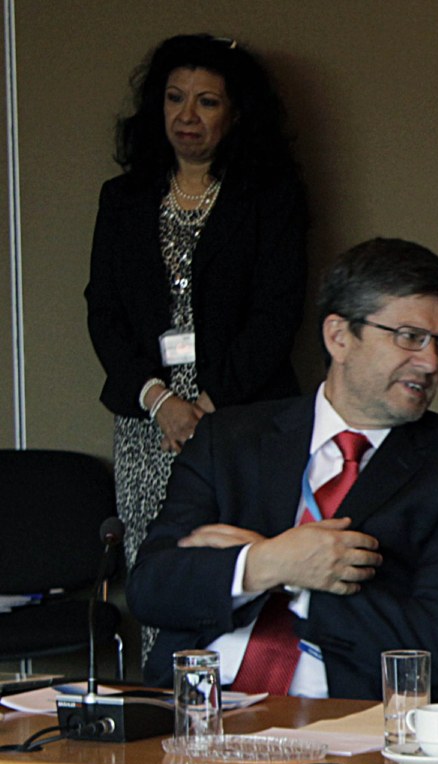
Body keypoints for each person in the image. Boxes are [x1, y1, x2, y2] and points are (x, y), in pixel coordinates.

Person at [129, 239, 438, 701]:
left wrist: (297, 576)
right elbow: (152, 588)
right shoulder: (229, 440)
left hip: (348, 724)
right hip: (199, 711)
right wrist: (263, 564)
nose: (431, 363)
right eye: (410, 337)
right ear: (339, 337)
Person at [86, 34, 307, 585]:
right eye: (174, 98)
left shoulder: (271, 196)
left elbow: (277, 314)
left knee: (242, 578)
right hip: (148, 424)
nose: (187, 115)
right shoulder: (123, 199)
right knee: (160, 577)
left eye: (207, 101)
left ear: (234, 115)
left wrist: (207, 408)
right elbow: (104, 312)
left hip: (243, 420)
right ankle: (167, 679)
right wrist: (161, 401)